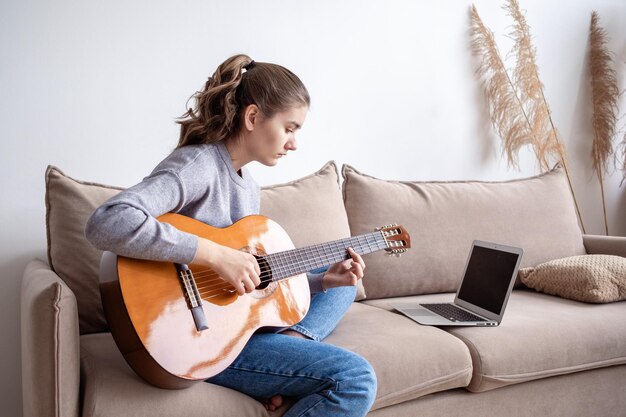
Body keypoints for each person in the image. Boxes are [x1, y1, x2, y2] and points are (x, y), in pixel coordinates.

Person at [85, 54, 377, 417]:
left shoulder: (248, 186)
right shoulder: (198, 166)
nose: (294, 143)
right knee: (356, 377)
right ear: (253, 117)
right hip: (197, 338)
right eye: (290, 128)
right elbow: (107, 221)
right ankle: (286, 359)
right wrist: (213, 255)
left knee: (344, 288)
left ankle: (288, 348)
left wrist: (320, 283)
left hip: (238, 324)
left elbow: (250, 289)